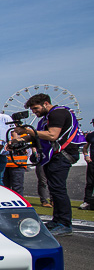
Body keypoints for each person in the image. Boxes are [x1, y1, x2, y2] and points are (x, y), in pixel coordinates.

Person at [16, 93, 86, 235]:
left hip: (61, 155)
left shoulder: (58, 113)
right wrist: (20, 140)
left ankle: (64, 223)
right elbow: (38, 137)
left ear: (46, 103)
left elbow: (52, 135)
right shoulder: (46, 118)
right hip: (53, 156)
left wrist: (28, 131)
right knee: (54, 188)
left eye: (36, 108)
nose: (34, 112)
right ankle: (58, 220)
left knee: (58, 189)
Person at [3, 131, 29, 195]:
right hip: (5, 165)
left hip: (18, 165)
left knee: (17, 187)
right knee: (4, 188)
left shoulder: (23, 134)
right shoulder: (4, 133)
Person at [79, 118, 94, 210]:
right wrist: (86, 156)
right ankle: (87, 201)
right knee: (90, 182)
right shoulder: (91, 136)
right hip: (92, 162)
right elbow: (85, 147)